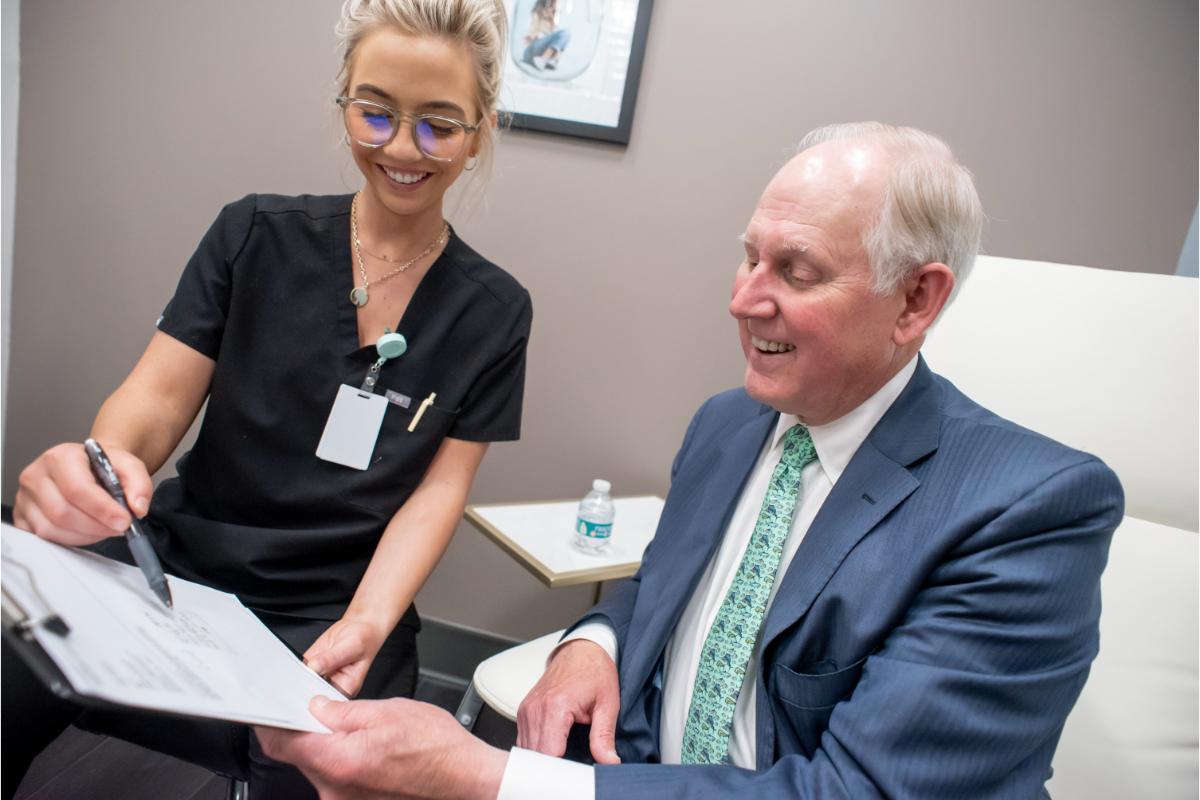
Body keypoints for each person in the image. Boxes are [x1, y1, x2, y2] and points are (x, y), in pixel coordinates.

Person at [263, 121, 1124, 799]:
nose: (742, 300)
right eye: (750, 255)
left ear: (916, 299)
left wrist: (485, 778)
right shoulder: (729, 426)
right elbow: (661, 585)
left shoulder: (1027, 511)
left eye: (796, 269)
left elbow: (861, 790)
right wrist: (593, 640)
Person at [3, 1, 529, 799]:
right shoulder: (251, 235)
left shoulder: (495, 311)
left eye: (438, 125)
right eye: (376, 112)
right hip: (178, 565)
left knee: (334, 766)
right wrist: (101, 472)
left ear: (480, 130)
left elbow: (438, 493)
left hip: (339, 601)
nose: (400, 147)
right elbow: (150, 403)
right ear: (344, 101)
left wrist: (369, 621)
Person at [521, 0, 570, 71]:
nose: (555, 5)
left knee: (565, 34)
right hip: (531, 49)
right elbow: (531, 33)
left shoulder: (553, 20)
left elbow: (556, 40)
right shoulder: (538, 13)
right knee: (565, 33)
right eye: (553, 2)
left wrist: (552, 20)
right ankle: (544, 59)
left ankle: (546, 59)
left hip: (541, 51)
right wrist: (534, 36)